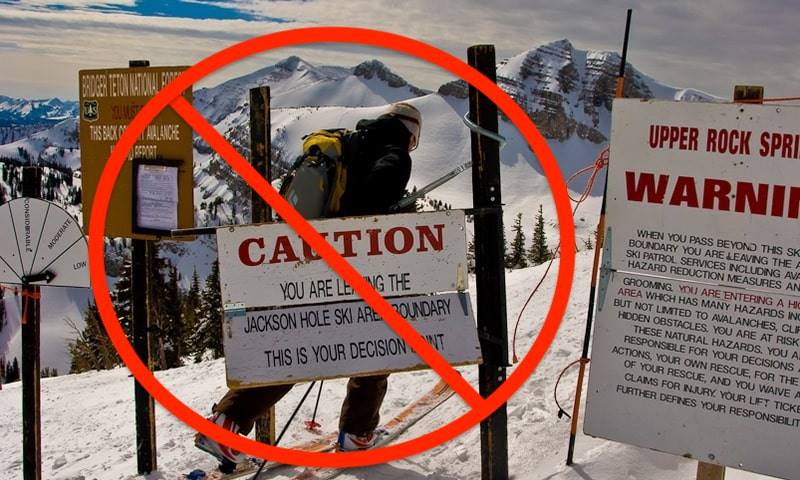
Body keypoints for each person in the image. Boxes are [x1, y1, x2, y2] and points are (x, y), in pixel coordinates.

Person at [195, 102, 422, 464]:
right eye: (414, 141)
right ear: (410, 133)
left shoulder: (349, 141)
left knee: (298, 347)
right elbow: (371, 201)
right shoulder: (393, 152)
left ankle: (226, 422)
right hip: (349, 263)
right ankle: (358, 434)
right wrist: (399, 214)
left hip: (306, 257)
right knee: (378, 343)